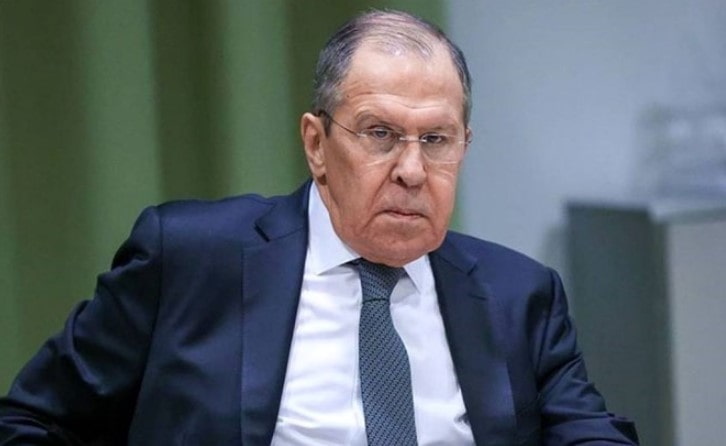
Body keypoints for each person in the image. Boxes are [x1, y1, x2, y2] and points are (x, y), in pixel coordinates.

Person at [0, 9, 638, 446]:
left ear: (464, 145)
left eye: (436, 139)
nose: (412, 170)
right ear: (316, 143)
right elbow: (32, 421)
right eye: (380, 134)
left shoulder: (519, 293)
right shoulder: (191, 258)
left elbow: (590, 432)